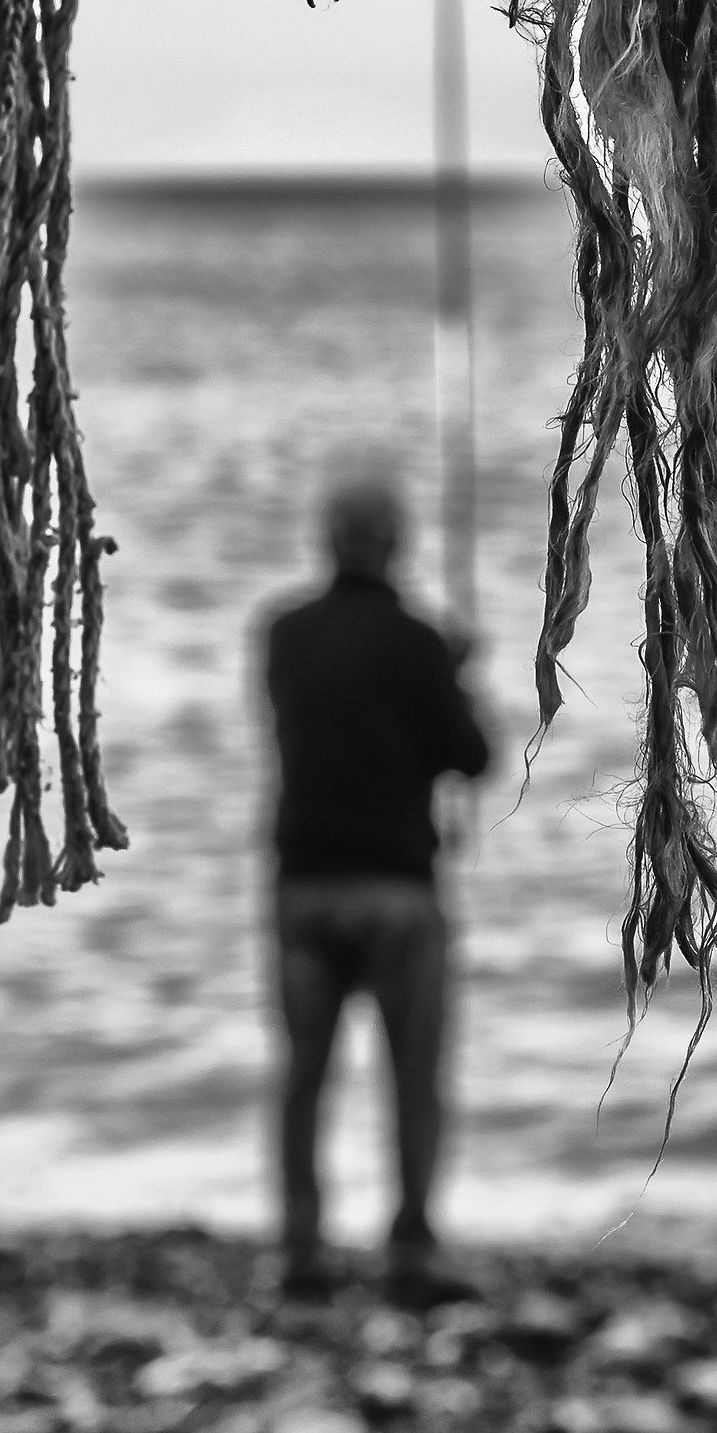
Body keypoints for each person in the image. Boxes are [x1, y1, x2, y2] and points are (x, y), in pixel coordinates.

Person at [261, 474, 491, 1304]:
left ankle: (301, 1249)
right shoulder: (418, 641)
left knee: (303, 1076)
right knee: (413, 1078)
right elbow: (469, 756)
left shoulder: (282, 633)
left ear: (328, 540)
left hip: (304, 884)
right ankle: (412, 1250)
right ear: (396, 544)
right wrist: (454, 676)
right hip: (397, 888)